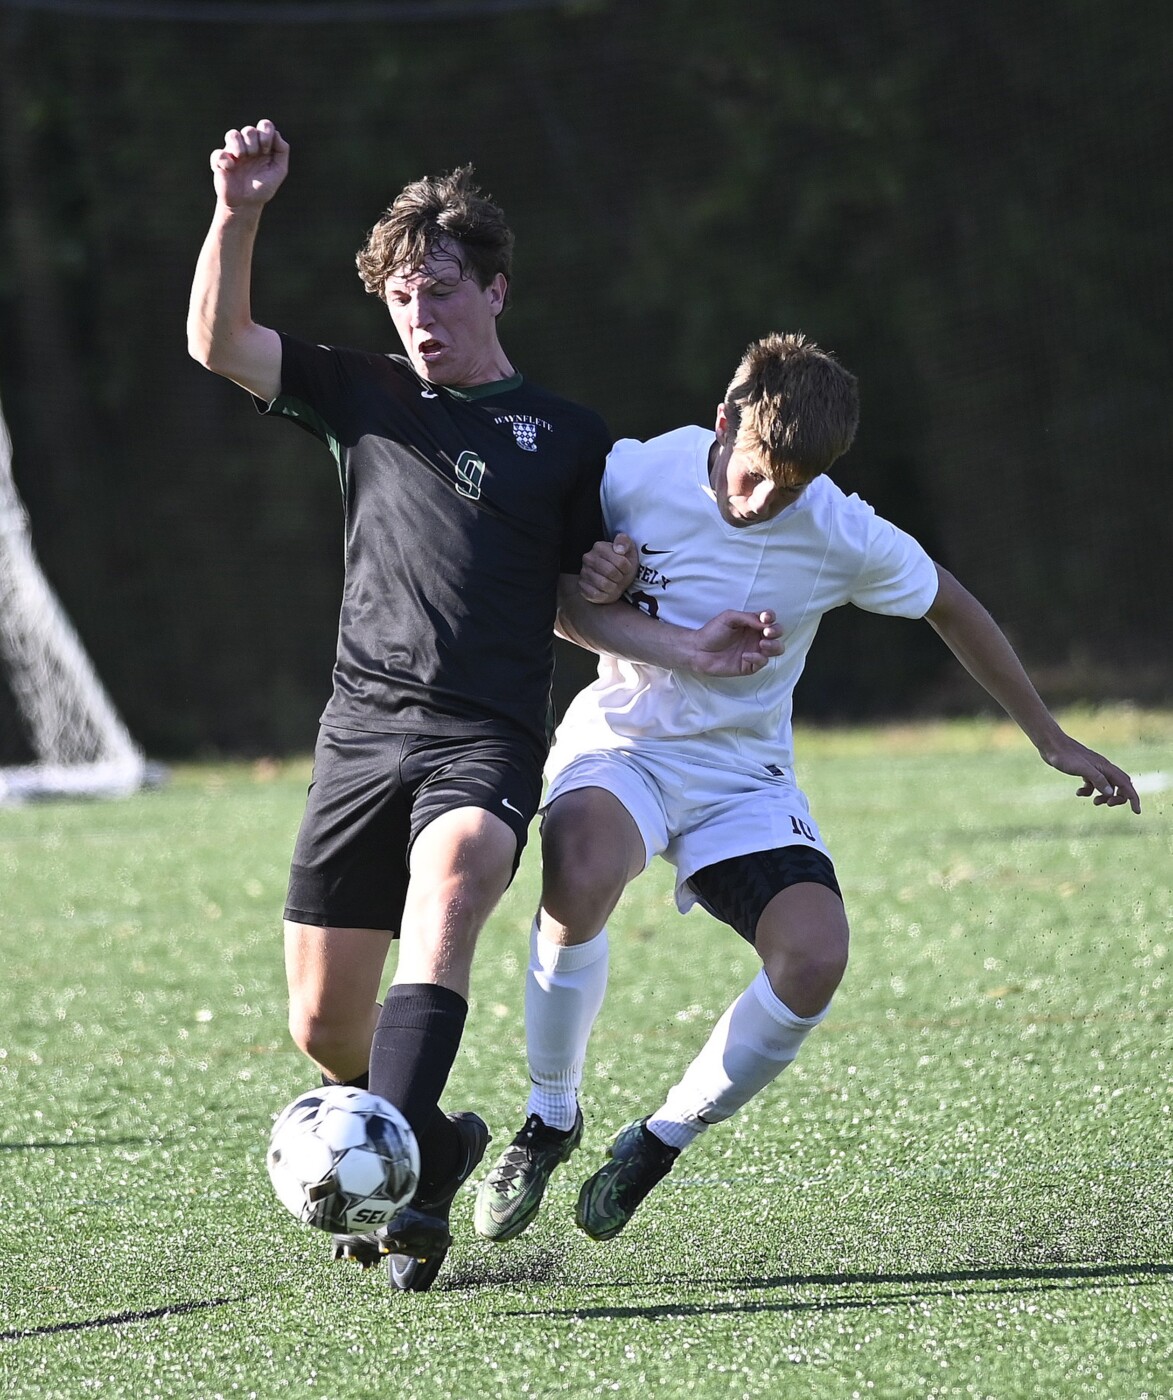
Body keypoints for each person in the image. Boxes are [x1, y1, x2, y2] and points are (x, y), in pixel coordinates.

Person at [186, 120, 781, 1291]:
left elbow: (578, 605)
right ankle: (440, 1142)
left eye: (442, 290)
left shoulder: (567, 439)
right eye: (403, 296)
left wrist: (682, 640)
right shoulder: (359, 394)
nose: (420, 315)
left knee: (455, 881)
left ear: (495, 288)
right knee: (322, 1029)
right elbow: (217, 341)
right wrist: (239, 210)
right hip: (360, 734)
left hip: (483, 734)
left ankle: (397, 1191)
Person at [473, 331, 1142, 1245]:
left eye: (787, 488)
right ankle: (549, 1117)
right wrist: (599, 586)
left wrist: (1050, 736)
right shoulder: (633, 472)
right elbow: (557, 607)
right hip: (623, 746)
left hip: (743, 776)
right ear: (724, 423)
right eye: (752, 473)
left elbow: (950, 602)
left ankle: (661, 1139)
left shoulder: (839, 527)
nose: (760, 502)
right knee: (580, 866)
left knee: (814, 957)